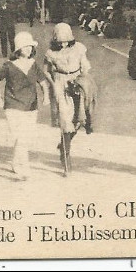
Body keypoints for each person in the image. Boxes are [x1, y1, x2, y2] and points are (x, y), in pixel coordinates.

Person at [41, 22, 96, 176]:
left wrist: (83, 80)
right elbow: (45, 71)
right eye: (60, 41)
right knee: (65, 121)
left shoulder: (79, 48)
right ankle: (66, 161)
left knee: (79, 120)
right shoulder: (51, 53)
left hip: (77, 82)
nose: (63, 44)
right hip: (60, 84)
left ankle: (64, 143)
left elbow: (85, 67)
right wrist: (53, 83)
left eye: (66, 40)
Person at [0, 31, 43, 180]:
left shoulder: (33, 64)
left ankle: (15, 162)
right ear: (18, 49)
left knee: (23, 137)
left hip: (31, 106)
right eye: (25, 47)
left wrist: (46, 95)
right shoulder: (8, 66)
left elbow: (43, 81)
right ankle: (24, 168)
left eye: (30, 47)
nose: (28, 50)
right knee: (21, 136)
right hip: (13, 105)